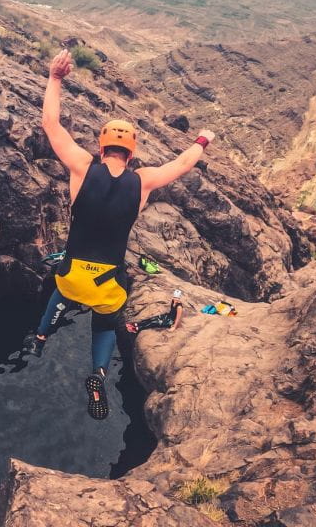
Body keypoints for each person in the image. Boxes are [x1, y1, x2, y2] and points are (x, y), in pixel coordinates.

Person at [25, 49, 215, 420]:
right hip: (107, 281)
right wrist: (202, 139)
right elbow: (182, 163)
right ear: (132, 153)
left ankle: (42, 336)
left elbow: (51, 124)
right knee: (105, 323)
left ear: (101, 146)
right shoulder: (142, 182)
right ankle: (97, 372)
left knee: (61, 288)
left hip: (73, 272)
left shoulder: (82, 166)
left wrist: (55, 78)